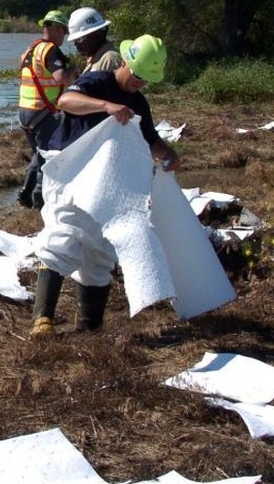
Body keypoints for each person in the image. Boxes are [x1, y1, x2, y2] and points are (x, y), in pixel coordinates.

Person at [30, 34, 180, 337]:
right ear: (125, 62)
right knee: (64, 236)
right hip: (73, 173)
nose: (140, 82)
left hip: (107, 184)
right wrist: (106, 106)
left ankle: (90, 327)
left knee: (99, 250)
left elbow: (148, 138)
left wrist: (167, 154)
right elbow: (66, 101)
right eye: (137, 75)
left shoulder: (139, 102)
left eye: (147, 79)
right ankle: (42, 319)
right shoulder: (97, 81)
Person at [16, 10, 72, 209]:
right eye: (64, 31)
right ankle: (40, 200)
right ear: (56, 29)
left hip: (25, 112)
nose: (65, 36)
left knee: (39, 154)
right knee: (48, 158)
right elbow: (60, 78)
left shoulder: (30, 50)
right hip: (43, 111)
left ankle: (24, 193)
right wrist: (75, 73)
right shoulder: (51, 50)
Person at [66, 7, 123, 74]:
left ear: (97, 34)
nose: (75, 44)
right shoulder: (95, 59)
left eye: (79, 39)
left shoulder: (110, 59)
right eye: (74, 40)